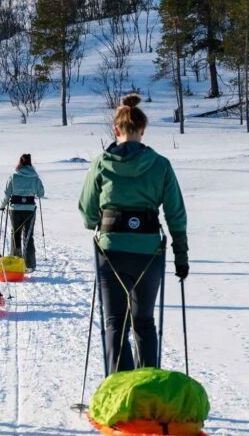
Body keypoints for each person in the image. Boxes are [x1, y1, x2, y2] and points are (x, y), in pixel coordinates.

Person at [78, 94, 188, 374]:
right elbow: (175, 213)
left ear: (116, 130)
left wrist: (100, 221)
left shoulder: (101, 163)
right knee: (144, 322)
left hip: (110, 251)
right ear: (142, 129)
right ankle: (147, 387)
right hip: (148, 252)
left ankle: (119, 387)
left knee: (115, 322)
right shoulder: (160, 165)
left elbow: (87, 212)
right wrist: (181, 255)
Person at [1, 153, 45, 271]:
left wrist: (2, 206)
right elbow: (41, 194)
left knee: (15, 234)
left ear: (19, 163)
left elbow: (7, 194)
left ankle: (16, 263)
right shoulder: (35, 178)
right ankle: (29, 264)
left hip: (15, 210)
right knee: (28, 236)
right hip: (29, 210)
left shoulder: (13, 177)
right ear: (30, 163)